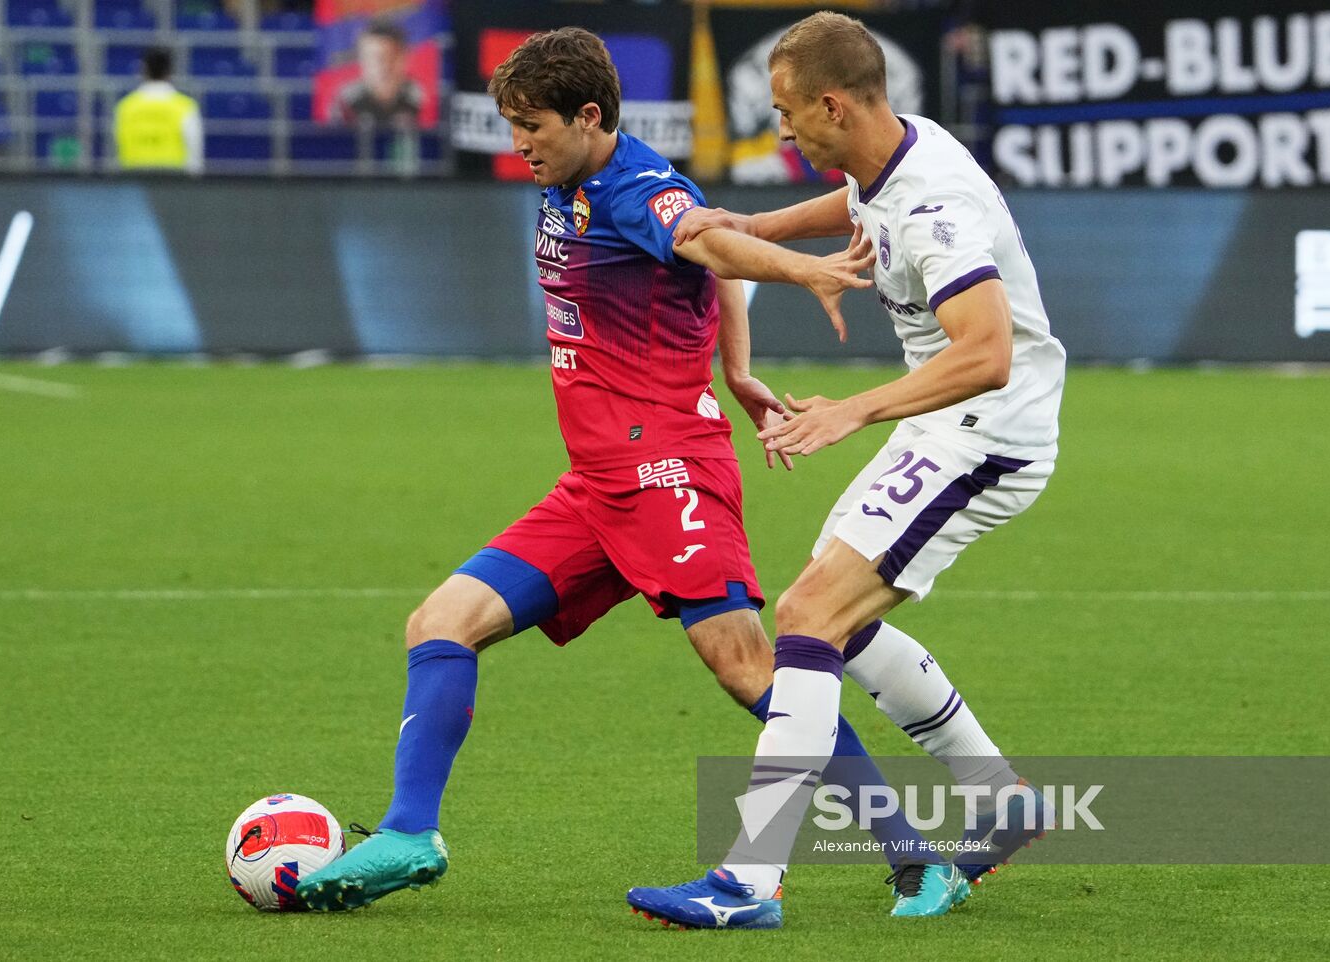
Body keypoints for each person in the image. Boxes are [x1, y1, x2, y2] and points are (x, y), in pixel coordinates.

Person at [296, 26, 958, 920]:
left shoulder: (635, 185)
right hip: (598, 482)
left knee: (750, 667)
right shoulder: (566, 178)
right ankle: (412, 834)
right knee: (441, 622)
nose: (518, 142)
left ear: (590, 116)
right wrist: (736, 368)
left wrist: (805, 271)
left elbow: (709, 242)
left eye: (531, 124)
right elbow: (709, 246)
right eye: (510, 124)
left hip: (667, 471)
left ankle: (913, 857)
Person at [627, 10, 1067, 928]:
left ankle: (750, 882)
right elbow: (858, 202)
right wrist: (757, 225)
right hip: (946, 421)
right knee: (840, 627)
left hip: (986, 429)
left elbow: (985, 350)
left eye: (787, 111)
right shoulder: (895, 150)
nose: (780, 128)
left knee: (807, 616)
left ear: (832, 104)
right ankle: (999, 798)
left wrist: (849, 411)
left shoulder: (934, 206)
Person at [114, 48, 203, 175]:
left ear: (144, 70)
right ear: (170, 72)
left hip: (134, 181)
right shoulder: (185, 106)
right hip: (172, 182)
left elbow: (117, 150)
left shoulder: (125, 107)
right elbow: (194, 155)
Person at [329, 19, 424, 131]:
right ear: (361, 59)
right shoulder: (345, 100)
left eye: (388, 57)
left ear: (403, 58)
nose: (381, 66)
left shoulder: (422, 98)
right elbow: (336, 143)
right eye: (371, 57)